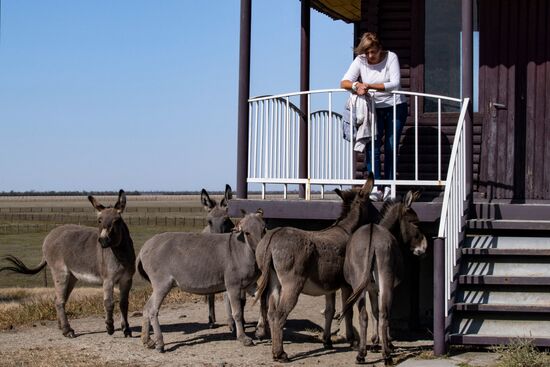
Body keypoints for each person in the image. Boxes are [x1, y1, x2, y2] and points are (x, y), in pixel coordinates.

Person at [341, 32, 408, 201]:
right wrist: (356, 85)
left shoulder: (391, 57)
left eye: (374, 51)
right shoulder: (360, 60)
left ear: (380, 48)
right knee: (373, 148)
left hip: (395, 107)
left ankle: (390, 188)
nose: (370, 56)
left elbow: (394, 83)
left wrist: (369, 85)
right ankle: (376, 187)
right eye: (367, 52)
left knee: (391, 147)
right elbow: (344, 82)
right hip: (372, 109)